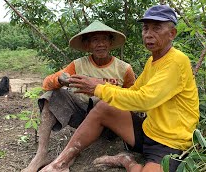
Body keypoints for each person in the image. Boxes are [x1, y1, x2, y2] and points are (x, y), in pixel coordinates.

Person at [40, 5, 200, 172]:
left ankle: (127, 161)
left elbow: (143, 100)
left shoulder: (173, 62)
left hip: (170, 142)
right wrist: (67, 81)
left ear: (172, 34)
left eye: (156, 28)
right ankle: (60, 163)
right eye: (145, 28)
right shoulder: (79, 64)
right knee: (104, 107)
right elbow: (134, 92)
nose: (148, 34)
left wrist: (98, 87)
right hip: (148, 131)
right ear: (88, 45)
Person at [22, 20, 136, 172]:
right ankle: (41, 154)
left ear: (110, 42)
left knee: (99, 100)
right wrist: (60, 80)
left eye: (104, 39)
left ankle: (69, 155)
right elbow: (46, 84)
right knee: (51, 95)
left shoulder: (124, 69)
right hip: (81, 114)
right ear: (88, 45)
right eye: (95, 40)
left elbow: (133, 99)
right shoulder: (78, 65)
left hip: (110, 122)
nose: (100, 44)